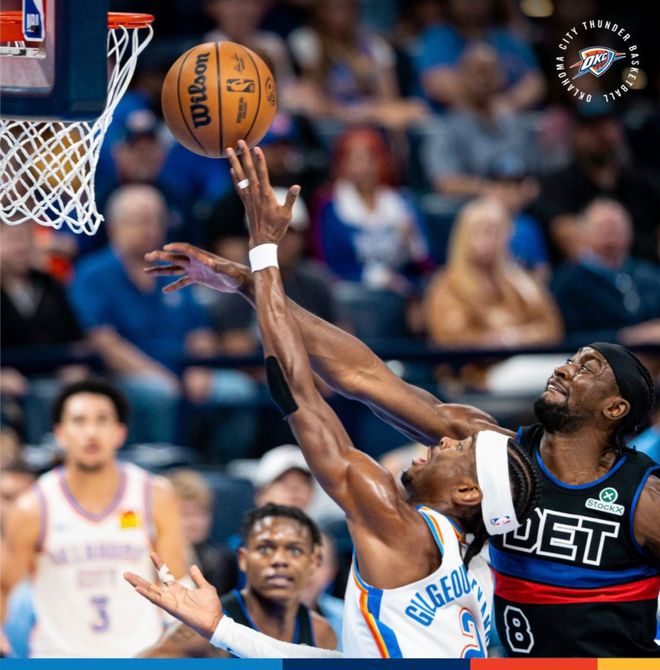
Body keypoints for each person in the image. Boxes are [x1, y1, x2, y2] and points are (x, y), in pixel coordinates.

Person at [142, 145, 659, 657]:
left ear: (615, 409)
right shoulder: (493, 457)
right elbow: (362, 374)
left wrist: (264, 260)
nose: (564, 368)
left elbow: (301, 396)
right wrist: (252, 284)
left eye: (587, 369)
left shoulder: (639, 496)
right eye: (571, 359)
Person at [0, 378, 187, 657]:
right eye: (79, 421)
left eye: (102, 420)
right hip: (59, 656)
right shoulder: (33, 507)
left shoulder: (155, 495)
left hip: (140, 654)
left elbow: (175, 582)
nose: (91, 432)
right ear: (60, 433)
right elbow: (4, 585)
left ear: (120, 432)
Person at [137, 503, 337, 657]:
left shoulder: (321, 632)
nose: (279, 560)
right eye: (265, 548)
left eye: (294, 550)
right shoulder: (198, 632)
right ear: (242, 559)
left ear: (314, 562)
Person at [423, 197, 562, 349]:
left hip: (523, 357)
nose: (491, 239)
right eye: (483, 231)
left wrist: (512, 337)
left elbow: (551, 327)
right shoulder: (447, 285)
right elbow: (449, 338)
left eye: (498, 232)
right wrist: (490, 339)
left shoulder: (521, 281)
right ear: (464, 236)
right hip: (475, 362)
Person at [551, 198, 660, 343]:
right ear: (583, 233)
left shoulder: (650, 274)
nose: (611, 232)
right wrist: (624, 337)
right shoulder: (566, 281)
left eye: (616, 226)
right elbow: (560, 336)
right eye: (602, 227)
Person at [167, 469, 238, 597]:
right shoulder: (149, 556)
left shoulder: (220, 561)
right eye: (185, 514)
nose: (195, 523)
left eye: (201, 513)